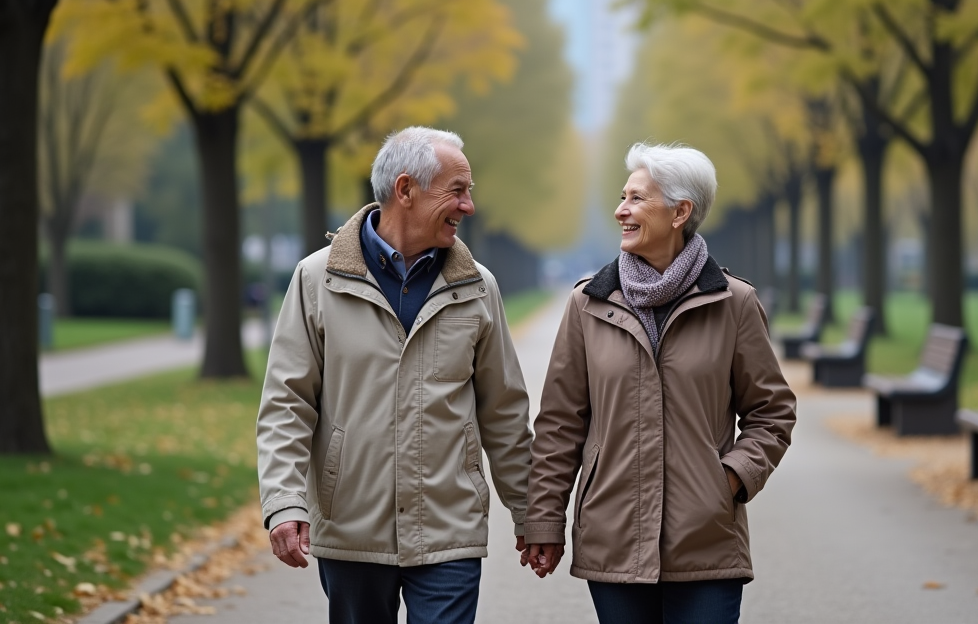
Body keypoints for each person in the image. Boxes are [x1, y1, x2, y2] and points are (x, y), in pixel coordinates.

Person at [257, 126, 533, 624]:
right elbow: (286, 402)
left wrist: (532, 513)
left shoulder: (477, 287)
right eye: (458, 190)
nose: (468, 206)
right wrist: (283, 501)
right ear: (405, 190)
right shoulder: (317, 280)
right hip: (351, 529)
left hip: (449, 530)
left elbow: (504, 412)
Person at [522, 143, 797, 624]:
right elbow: (560, 423)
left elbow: (772, 412)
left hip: (706, 540)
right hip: (612, 535)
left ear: (680, 211)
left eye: (636, 199)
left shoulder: (734, 304)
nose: (620, 210)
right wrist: (545, 519)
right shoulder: (588, 304)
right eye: (622, 197)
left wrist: (728, 479)